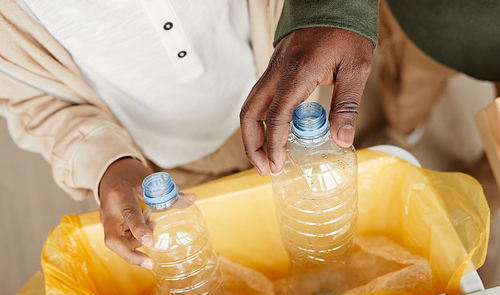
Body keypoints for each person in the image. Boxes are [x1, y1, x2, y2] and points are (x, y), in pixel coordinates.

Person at [0, 0, 379, 270]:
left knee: (316, 244)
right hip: (157, 158)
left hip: (281, 106)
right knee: (224, 264)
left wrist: (338, 10)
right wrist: (108, 165)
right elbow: (32, 100)